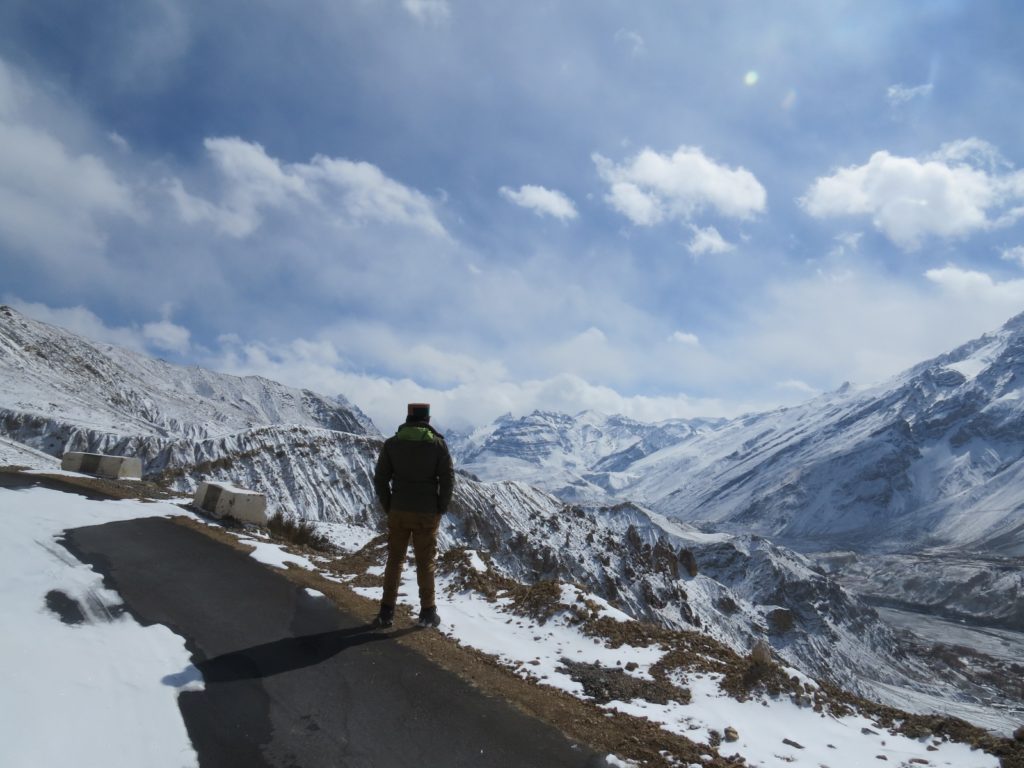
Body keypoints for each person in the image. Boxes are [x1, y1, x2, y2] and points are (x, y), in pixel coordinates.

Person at [372, 402, 455, 628]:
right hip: (426, 514)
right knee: (425, 562)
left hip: (398, 510)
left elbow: (380, 478)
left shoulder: (392, 444)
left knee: (395, 560)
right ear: (427, 419)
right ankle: (427, 612)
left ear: (408, 418)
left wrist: (389, 505)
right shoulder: (438, 445)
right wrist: (440, 507)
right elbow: (447, 480)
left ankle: (386, 612)